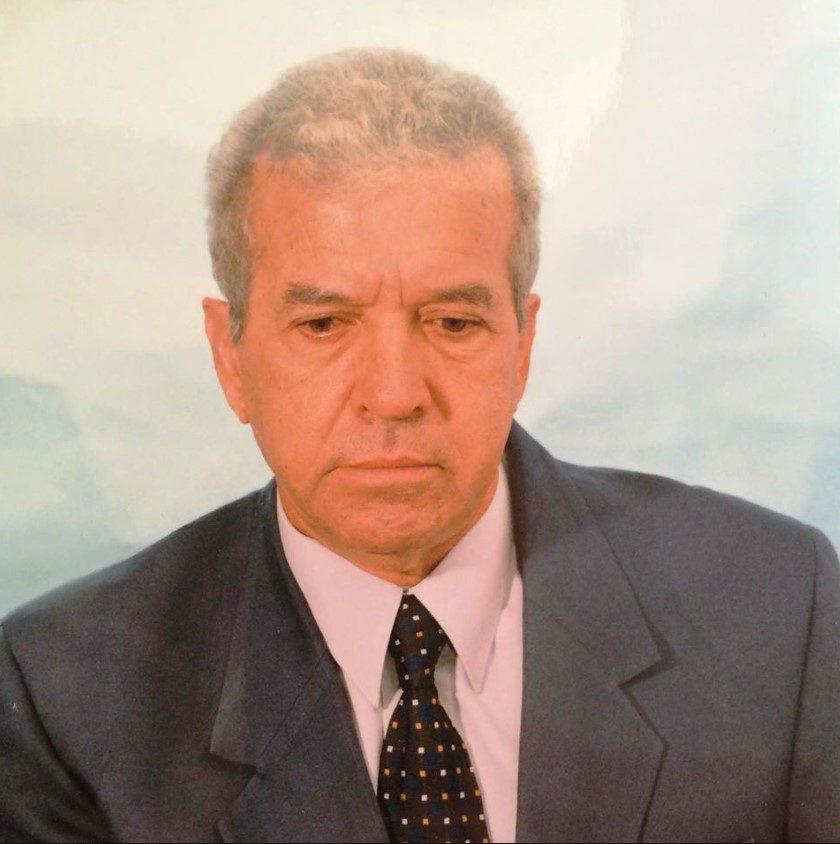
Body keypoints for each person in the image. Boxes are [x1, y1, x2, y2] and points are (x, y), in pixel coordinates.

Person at [1, 48, 838, 844]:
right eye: (324, 325)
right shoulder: (63, 696)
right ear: (231, 357)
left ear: (522, 346)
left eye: (453, 323)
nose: (395, 394)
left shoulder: (777, 607)